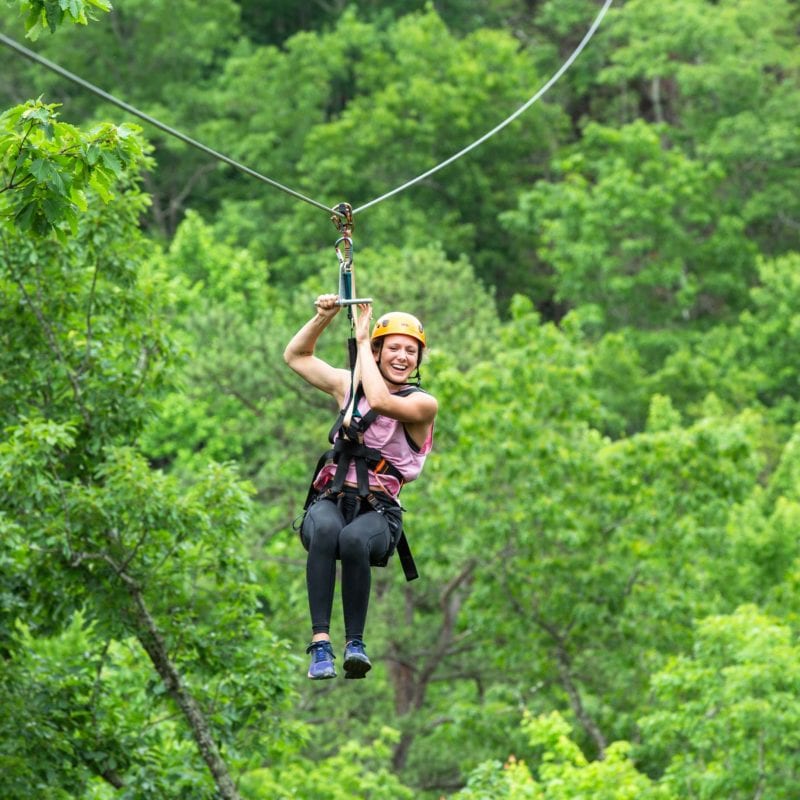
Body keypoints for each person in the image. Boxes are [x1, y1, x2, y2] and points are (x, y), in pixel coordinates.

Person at [284, 294, 438, 680]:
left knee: (353, 540)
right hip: (333, 498)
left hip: (378, 514)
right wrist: (324, 318)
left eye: (411, 351)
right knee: (327, 529)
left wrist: (364, 338)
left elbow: (383, 400)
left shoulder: (423, 405)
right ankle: (320, 643)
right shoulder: (348, 387)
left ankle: (355, 643)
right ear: (379, 353)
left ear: (419, 361)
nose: (402, 357)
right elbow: (297, 357)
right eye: (394, 349)